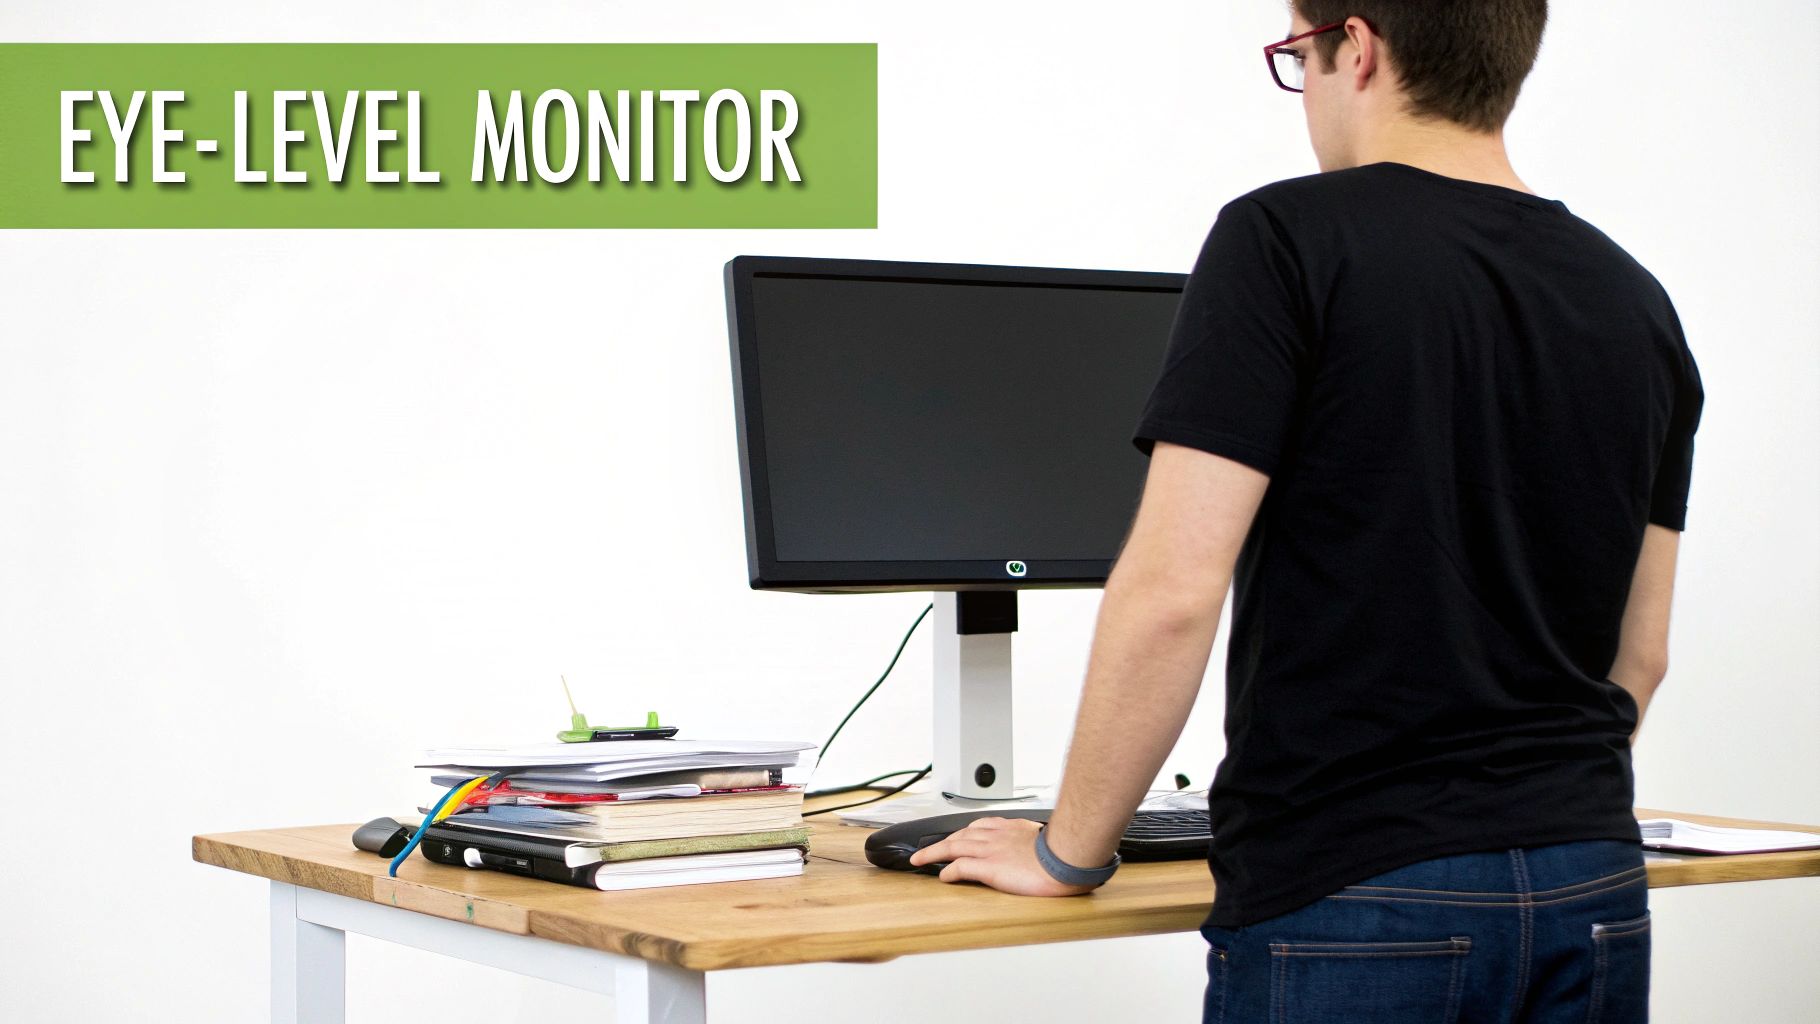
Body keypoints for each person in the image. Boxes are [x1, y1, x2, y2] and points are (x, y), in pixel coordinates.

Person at [906, 2, 1704, 1020]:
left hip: (1358, 888)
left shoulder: (1286, 239)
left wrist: (1067, 852)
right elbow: (1641, 655)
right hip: (1588, 886)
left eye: (1295, 54)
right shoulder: (1635, 300)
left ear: (1354, 49)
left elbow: (1172, 592)